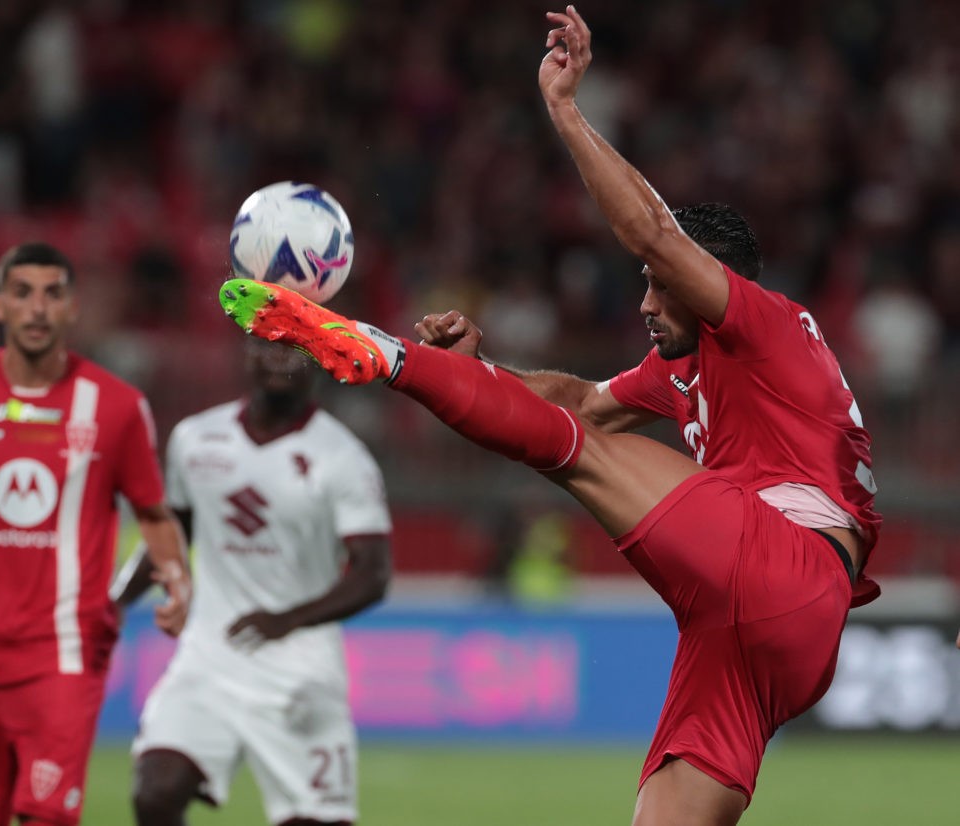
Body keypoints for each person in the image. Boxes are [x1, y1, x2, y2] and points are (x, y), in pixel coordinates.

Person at [214, 7, 881, 825]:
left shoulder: (765, 325)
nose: (642, 301)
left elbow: (650, 232)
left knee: (578, 455)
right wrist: (479, 372)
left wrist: (564, 106)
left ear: (708, 284)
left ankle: (380, 355)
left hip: (788, 566)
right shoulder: (690, 368)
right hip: (755, 640)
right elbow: (573, 398)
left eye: (657, 284)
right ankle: (408, 364)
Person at [0, 242, 192, 826]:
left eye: (53, 294)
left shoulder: (117, 406)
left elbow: (155, 516)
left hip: (63, 655)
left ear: (73, 308)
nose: (37, 308)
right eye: (22, 293)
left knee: (48, 817)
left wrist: (176, 577)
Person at [109, 336, 392, 826]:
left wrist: (288, 619)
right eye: (268, 346)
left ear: (320, 360)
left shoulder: (343, 457)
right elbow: (171, 534)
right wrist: (114, 603)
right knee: (154, 793)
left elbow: (374, 574)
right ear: (247, 354)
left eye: (295, 349)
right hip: (211, 657)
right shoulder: (196, 439)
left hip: (299, 670)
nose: (279, 358)